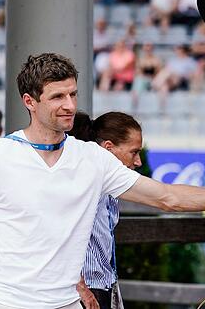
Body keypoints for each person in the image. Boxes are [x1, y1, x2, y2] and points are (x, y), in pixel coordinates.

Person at [0, 53, 205, 309]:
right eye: (57, 97)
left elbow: (169, 197)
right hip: (7, 302)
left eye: (72, 94)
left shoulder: (92, 158)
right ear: (30, 101)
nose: (69, 104)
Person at [69, 111, 144, 309]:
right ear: (108, 148)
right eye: (134, 152)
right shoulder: (84, 183)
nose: (138, 162)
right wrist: (81, 287)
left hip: (99, 286)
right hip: (84, 290)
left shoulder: (107, 186)